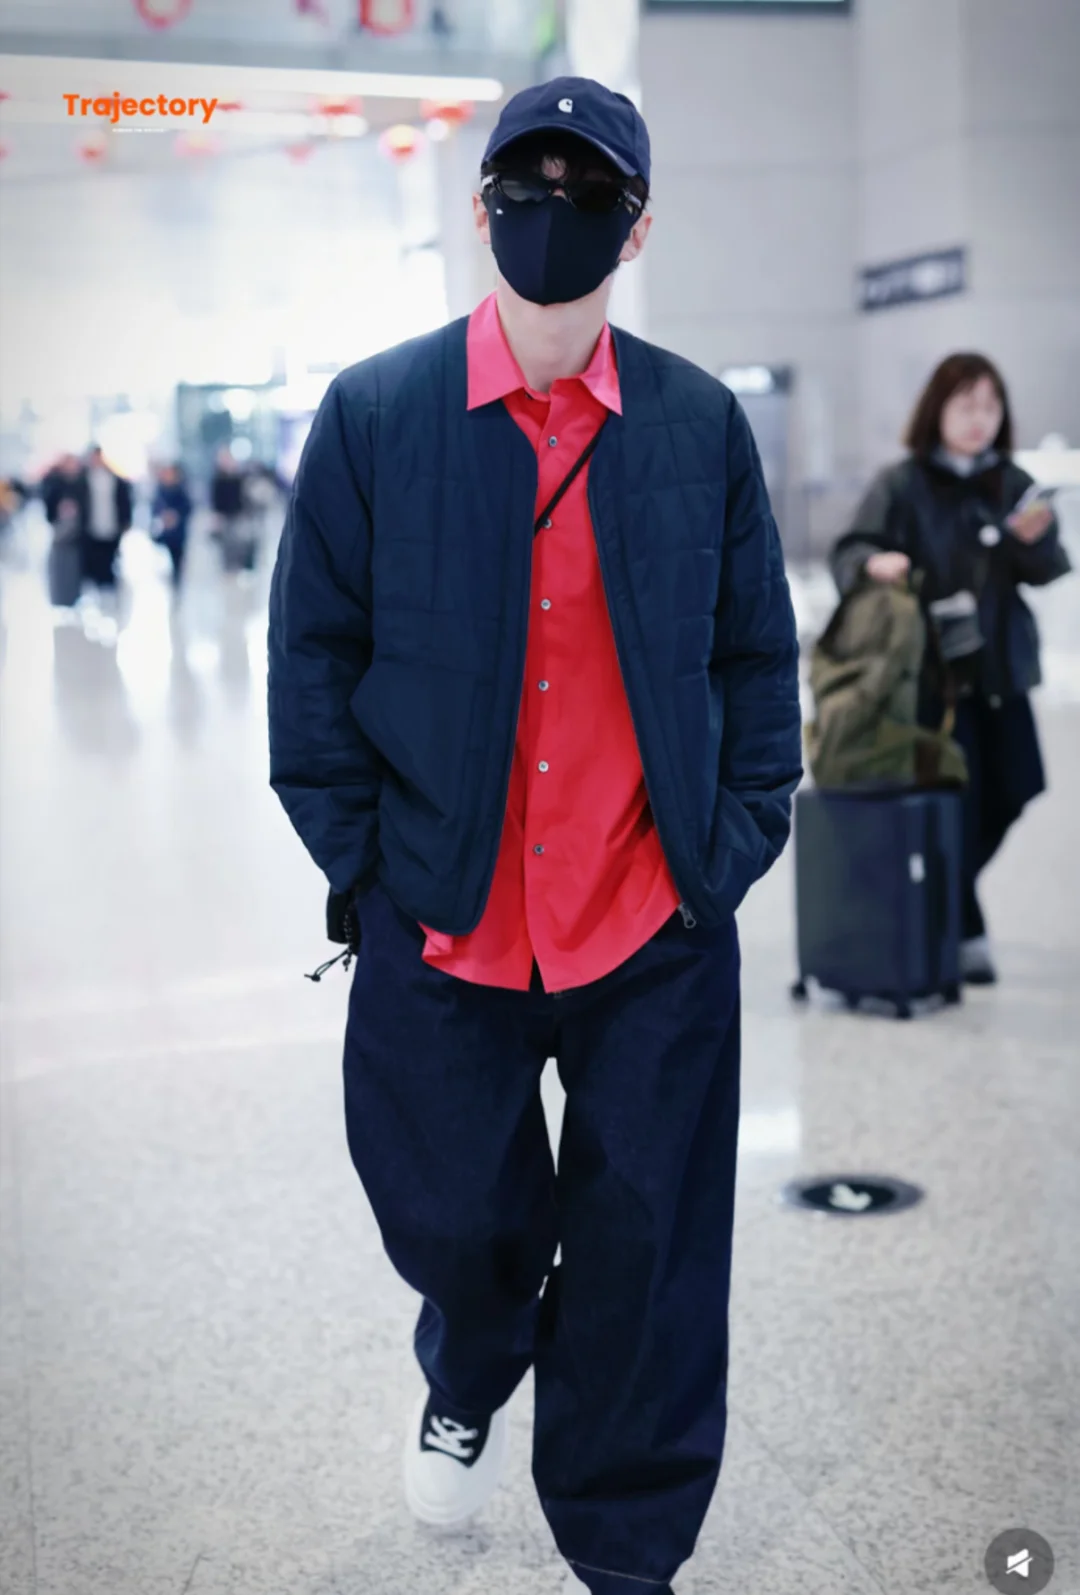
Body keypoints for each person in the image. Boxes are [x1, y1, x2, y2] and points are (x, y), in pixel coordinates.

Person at [268, 77, 801, 1595]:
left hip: (649, 919)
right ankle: (476, 1353)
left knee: (647, 1251)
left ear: (638, 228)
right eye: (527, 182)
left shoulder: (695, 422)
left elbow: (755, 654)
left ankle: (627, 1550)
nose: (551, 212)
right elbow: (311, 655)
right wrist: (366, 867)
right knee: (457, 1218)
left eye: (588, 190)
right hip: (446, 916)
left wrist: (729, 845)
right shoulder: (379, 414)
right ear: (481, 206)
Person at [830, 353, 1070, 985]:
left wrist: (1035, 540)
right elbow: (849, 552)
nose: (978, 420)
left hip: (1001, 671)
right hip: (932, 678)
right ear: (937, 410)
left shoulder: (1010, 482)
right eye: (966, 405)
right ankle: (962, 930)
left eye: (990, 406)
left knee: (1015, 788)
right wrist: (873, 564)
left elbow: (1046, 569)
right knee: (955, 800)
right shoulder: (903, 483)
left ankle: (944, 900)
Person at [81, 444, 133, 591]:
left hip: (111, 525)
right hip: (91, 527)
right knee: (94, 559)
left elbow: (124, 500)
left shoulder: (114, 478)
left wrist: (126, 521)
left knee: (109, 558)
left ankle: (108, 586)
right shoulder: (84, 478)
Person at [150, 461, 194, 589]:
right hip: (163, 531)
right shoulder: (160, 490)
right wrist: (164, 516)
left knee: (177, 558)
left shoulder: (181, 490)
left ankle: (176, 581)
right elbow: (155, 508)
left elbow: (188, 508)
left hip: (178, 533)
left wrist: (176, 515)